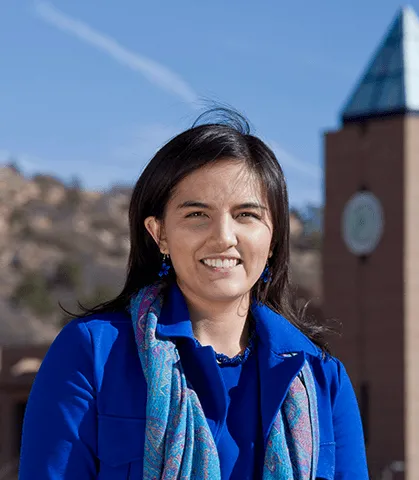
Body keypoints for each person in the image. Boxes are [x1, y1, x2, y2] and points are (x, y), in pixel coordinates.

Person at [19, 110, 369, 479]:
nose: (223, 237)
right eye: (197, 214)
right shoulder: (92, 354)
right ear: (160, 234)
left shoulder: (321, 376)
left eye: (246, 215)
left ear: (273, 237)